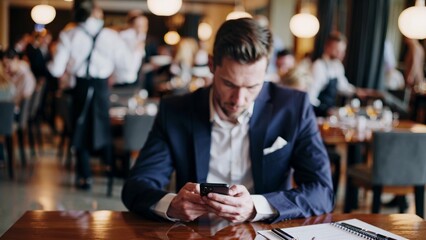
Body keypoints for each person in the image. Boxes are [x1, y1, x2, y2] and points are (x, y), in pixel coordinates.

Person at [122, 18, 333, 223]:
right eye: (229, 84)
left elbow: (322, 191)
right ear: (212, 65)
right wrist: (171, 204)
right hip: (196, 233)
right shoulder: (176, 110)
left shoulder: (293, 107)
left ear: (266, 69)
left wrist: (256, 207)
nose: (239, 99)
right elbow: (136, 186)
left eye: (252, 87)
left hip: (263, 231)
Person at [48, 0, 144, 189]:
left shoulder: (69, 34)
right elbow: (127, 72)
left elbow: (55, 69)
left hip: (80, 87)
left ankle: (85, 177)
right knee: (103, 126)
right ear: (95, 11)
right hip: (101, 87)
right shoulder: (110, 36)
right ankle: (109, 167)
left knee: (79, 127)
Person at [308, 32, 359, 117]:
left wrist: (357, 91)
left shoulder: (338, 65)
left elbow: (343, 87)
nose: (341, 54)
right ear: (327, 48)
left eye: (343, 51)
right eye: (337, 50)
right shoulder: (318, 66)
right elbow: (310, 97)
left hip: (330, 115)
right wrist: (325, 110)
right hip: (317, 115)